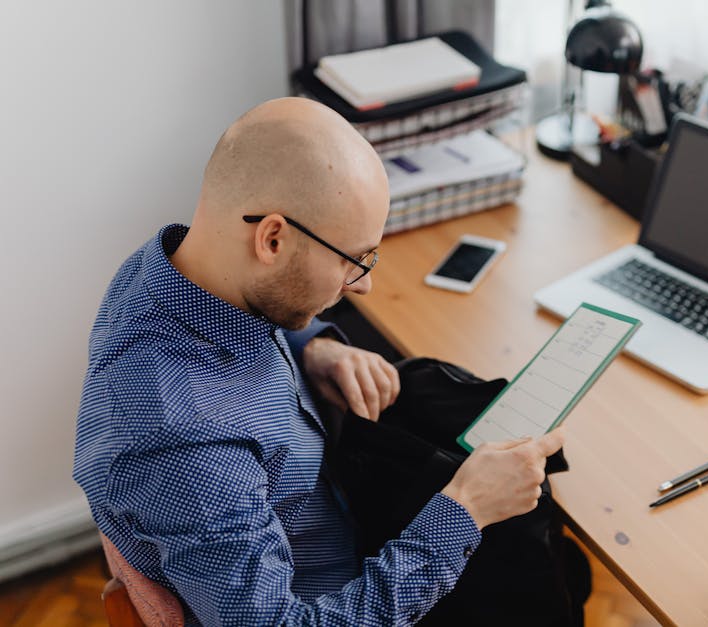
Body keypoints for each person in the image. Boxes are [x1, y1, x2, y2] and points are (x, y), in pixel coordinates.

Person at [73, 97, 565, 625]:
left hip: (346, 512)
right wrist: (465, 510)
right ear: (273, 238)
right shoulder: (185, 442)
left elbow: (265, 303)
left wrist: (316, 348)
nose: (367, 284)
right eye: (354, 260)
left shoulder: (172, 273)